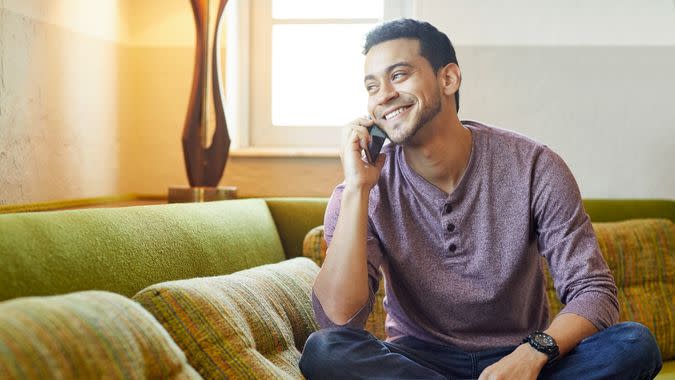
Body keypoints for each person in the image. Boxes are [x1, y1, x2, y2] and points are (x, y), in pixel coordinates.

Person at [298, 19, 663, 380]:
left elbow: (593, 291)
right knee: (324, 351)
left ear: (448, 79)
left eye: (399, 75)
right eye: (371, 85)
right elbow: (338, 321)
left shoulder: (535, 166)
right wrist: (358, 189)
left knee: (634, 344)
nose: (383, 95)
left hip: (522, 359)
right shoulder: (361, 190)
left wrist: (532, 353)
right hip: (417, 362)